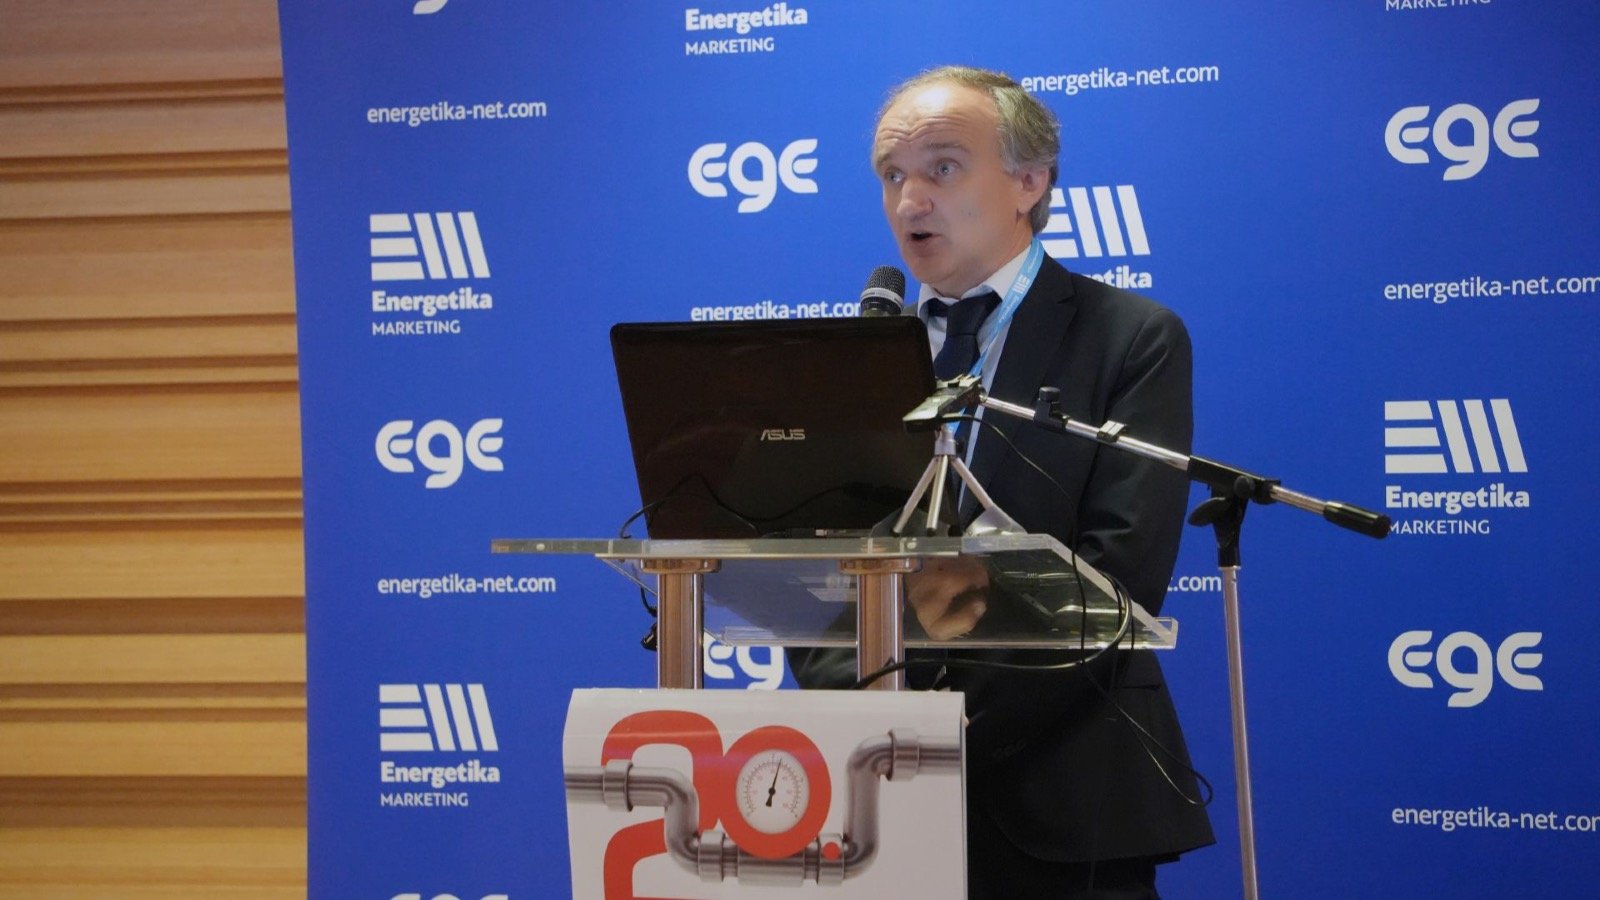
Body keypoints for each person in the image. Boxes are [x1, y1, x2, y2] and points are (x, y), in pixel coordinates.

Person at [791, 66, 1214, 898]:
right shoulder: (850, 359)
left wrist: (944, 734)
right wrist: (872, 723)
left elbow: (1116, 575)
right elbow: (804, 568)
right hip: (871, 798)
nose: (910, 199)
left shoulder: (1129, 337)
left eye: (943, 168)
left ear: (1029, 182)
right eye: (892, 175)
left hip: (1063, 799)